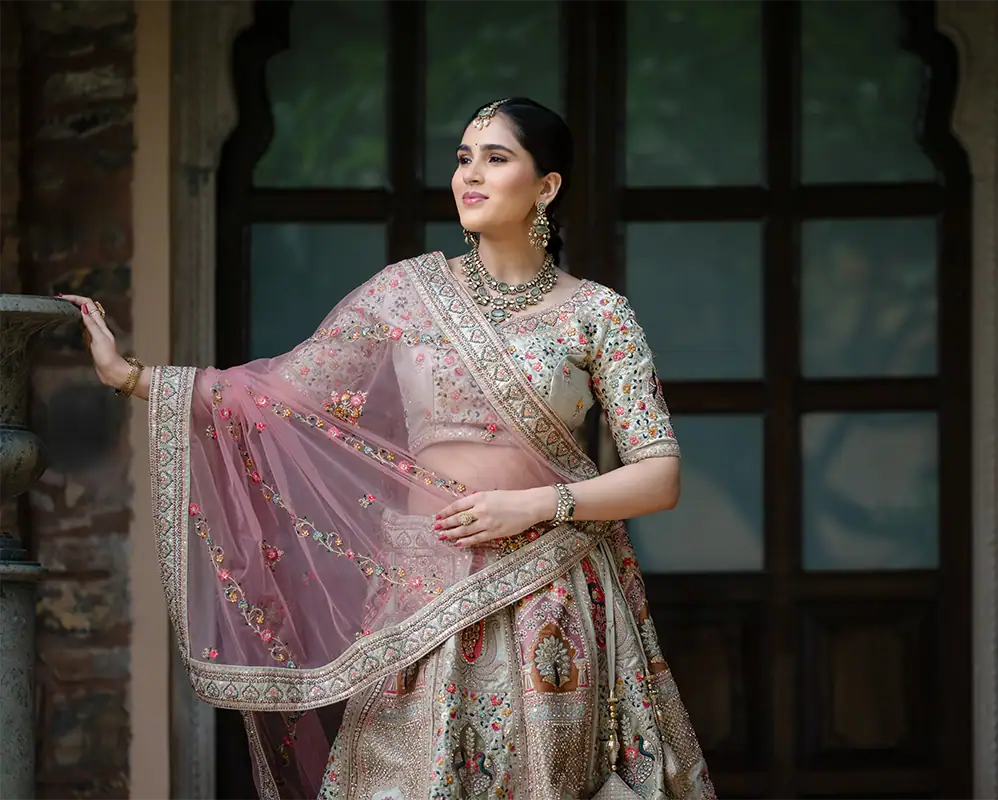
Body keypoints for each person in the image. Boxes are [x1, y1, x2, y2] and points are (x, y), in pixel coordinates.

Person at [63, 97, 717, 800]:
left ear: (547, 186)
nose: (471, 174)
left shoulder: (597, 314)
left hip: (547, 594)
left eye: (497, 158)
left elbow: (659, 476)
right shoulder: (405, 295)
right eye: (464, 158)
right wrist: (135, 380)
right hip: (424, 593)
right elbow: (280, 399)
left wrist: (534, 505)